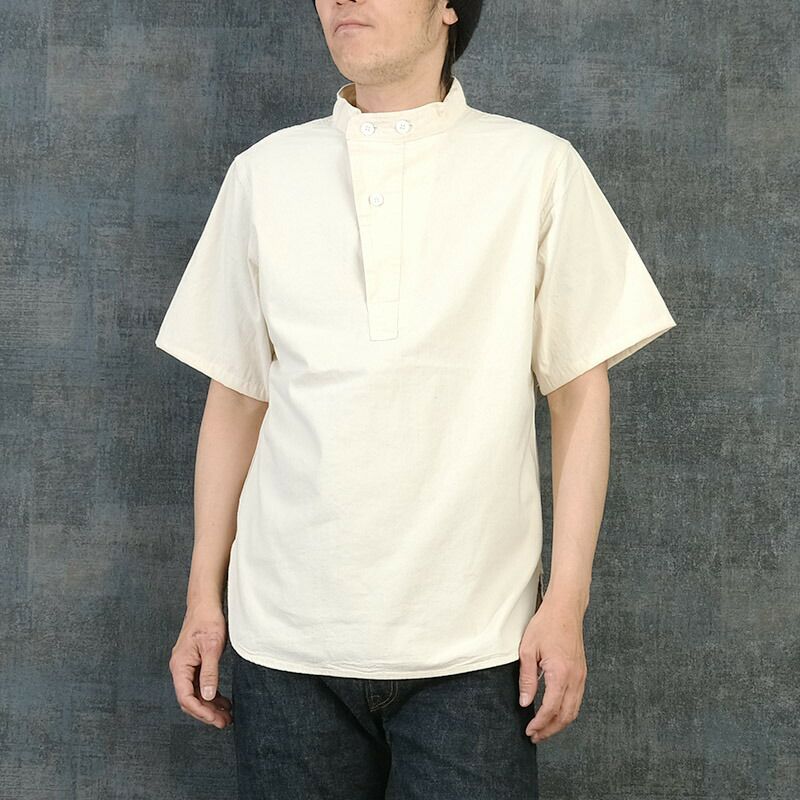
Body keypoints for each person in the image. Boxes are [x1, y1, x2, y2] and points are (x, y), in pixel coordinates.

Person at [156, 1, 677, 797]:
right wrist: (203, 598)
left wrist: (567, 604)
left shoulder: (536, 168)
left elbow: (579, 395)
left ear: (448, 6)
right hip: (285, 644)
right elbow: (236, 399)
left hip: (477, 646)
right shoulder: (264, 174)